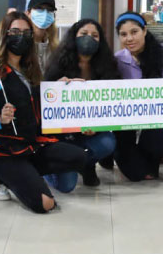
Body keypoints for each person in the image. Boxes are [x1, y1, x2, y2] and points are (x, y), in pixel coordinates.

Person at [0, 12, 95, 213]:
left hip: (33, 144)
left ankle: (25, 174)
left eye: (26, 32)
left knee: (81, 157)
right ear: (4, 34)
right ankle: (0, 175)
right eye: (15, 31)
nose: (21, 36)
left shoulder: (31, 68)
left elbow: (38, 97)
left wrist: (59, 87)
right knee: (46, 204)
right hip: (7, 151)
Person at [43, 19, 119, 190]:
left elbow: (113, 105)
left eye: (94, 35)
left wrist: (98, 126)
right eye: (83, 34)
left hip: (90, 133)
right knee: (66, 186)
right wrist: (56, 88)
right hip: (62, 135)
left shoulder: (108, 67)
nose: (89, 38)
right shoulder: (58, 64)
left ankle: (85, 164)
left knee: (108, 141)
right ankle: (44, 166)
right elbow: (45, 104)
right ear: (74, 36)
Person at [114, 11, 163, 181]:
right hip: (127, 119)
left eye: (134, 32)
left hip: (158, 118)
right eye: (123, 34)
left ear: (144, 31)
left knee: (154, 147)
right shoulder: (117, 59)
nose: (129, 38)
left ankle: (149, 159)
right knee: (136, 174)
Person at [25, 0, 59, 73]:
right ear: (28, 13)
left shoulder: (56, 48)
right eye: (39, 9)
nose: (45, 14)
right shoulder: (21, 44)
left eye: (49, 10)